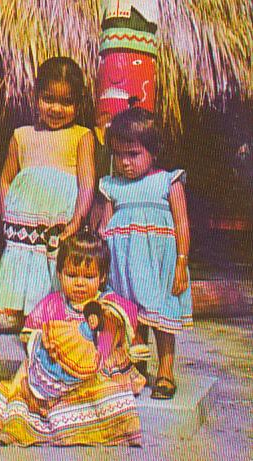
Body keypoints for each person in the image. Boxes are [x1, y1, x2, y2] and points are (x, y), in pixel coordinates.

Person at [0, 232, 146, 447]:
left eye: (88, 277)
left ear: (101, 277)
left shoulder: (104, 305)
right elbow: (30, 333)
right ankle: (15, 426)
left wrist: (105, 326)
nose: (80, 283)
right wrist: (44, 345)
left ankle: (115, 428)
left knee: (107, 390)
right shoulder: (53, 304)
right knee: (25, 377)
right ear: (60, 274)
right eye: (72, 275)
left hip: (93, 367)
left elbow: (124, 319)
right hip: (56, 370)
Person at [0, 57, 95, 332]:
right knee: (26, 308)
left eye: (66, 102)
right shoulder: (21, 136)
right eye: (49, 99)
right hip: (24, 236)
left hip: (59, 234)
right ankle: (31, 363)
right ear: (36, 98)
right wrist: (8, 215)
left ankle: (56, 363)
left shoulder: (82, 136)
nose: (57, 108)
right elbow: (6, 179)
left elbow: (87, 184)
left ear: (78, 104)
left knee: (59, 305)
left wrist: (77, 220)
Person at [98, 108, 193, 399]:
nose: (125, 162)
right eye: (118, 154)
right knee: (131, 321)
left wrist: (181, 263)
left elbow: (181, 225)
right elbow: (105, 229)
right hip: (124, 269)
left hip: (159, 266)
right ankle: (136, 368)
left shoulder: (168, 181)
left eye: (133, 153)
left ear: (153, 151)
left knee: (162, 317)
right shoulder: (111, 186)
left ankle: (165, 370)